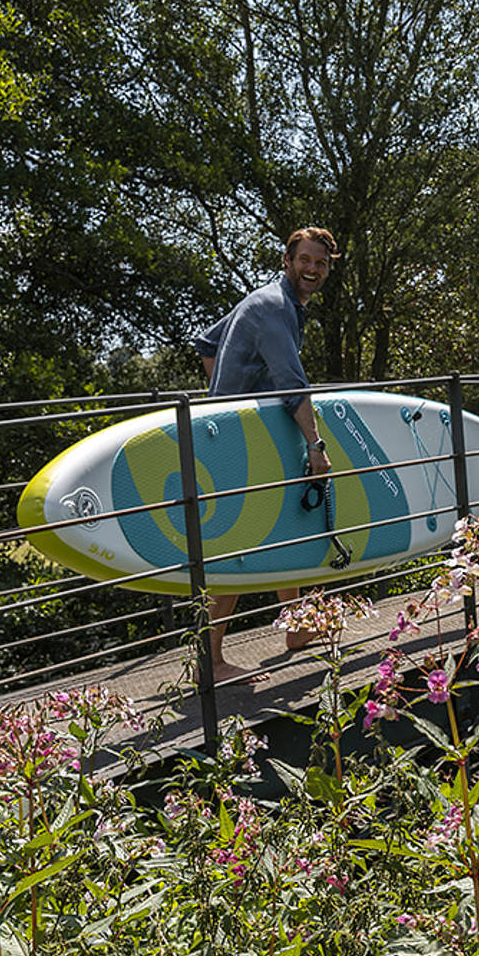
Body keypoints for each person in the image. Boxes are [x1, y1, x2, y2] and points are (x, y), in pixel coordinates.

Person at [192, 226, 338, 683]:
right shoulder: (274, 309)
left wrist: (230, 398)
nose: (312, 269)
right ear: (287, 261)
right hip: (237, 441)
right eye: (305, 260)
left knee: (279, 527)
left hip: (246, 431)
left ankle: (294, 627)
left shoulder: (268, 301)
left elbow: (207, 345)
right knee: (243, 544)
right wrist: (315, 446)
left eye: (321, 262)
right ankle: (210, 662)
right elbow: (294, 385)